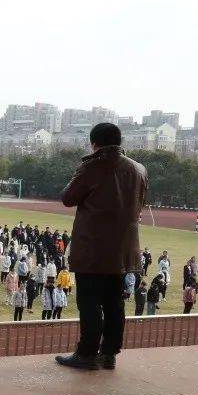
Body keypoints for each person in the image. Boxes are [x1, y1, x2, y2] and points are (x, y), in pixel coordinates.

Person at [56, 122, 148, 371]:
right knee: (114, 302)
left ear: (94, 143)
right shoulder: (139, 169)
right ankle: (109, 354)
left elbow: (68, 198)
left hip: (93, 248)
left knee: (89, 301)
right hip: (124, 249)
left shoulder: (93, 166)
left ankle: (86, 353)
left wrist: (79, 172)